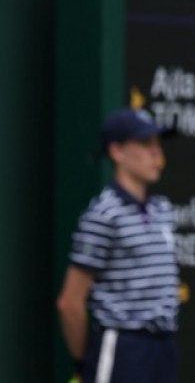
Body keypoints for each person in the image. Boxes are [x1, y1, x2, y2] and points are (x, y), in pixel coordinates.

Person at [56, 108, 180, 383]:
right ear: (117, 152)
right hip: (122, 350)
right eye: (145, 144)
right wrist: (83, 363)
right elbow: (70, 302)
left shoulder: (163, 210)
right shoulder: (103, 215)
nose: (156, 153)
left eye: (158, 144)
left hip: (164, 349)